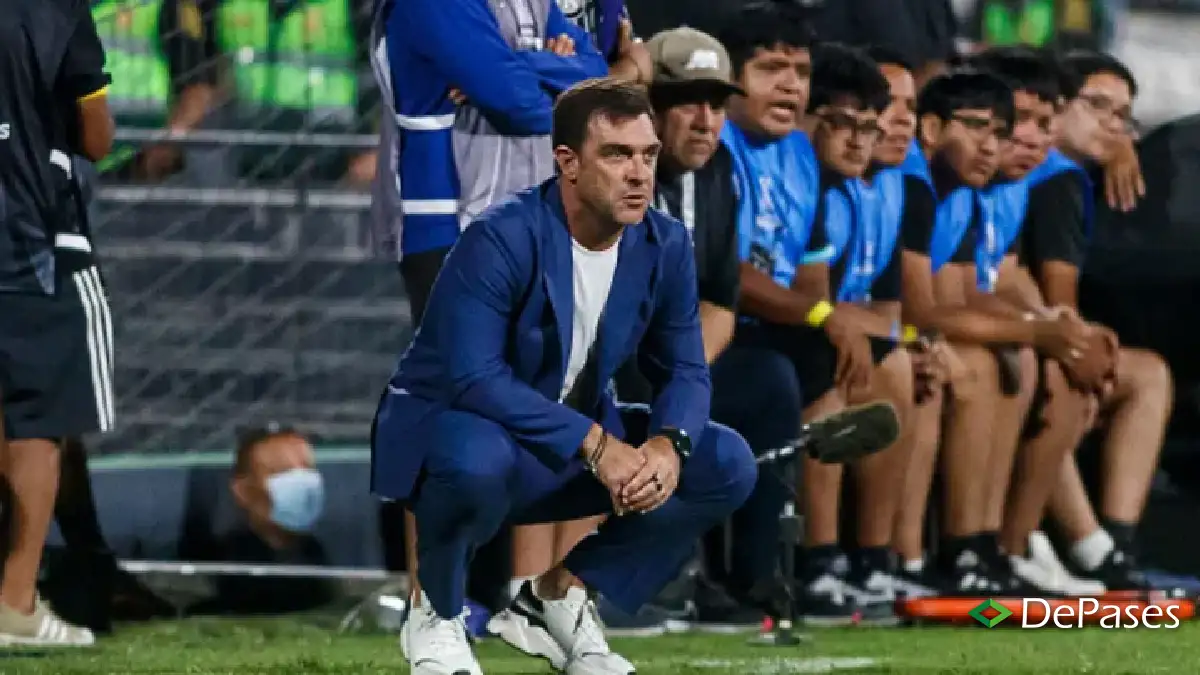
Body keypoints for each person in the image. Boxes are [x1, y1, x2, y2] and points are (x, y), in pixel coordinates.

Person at [372, 79, 759, 675]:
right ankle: (436, 612)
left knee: (724, 461)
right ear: (568, 163)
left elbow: (683, 367)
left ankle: (557, 595)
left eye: (648, 154)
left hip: (556, 455)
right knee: (474, 455)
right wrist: (597, 444)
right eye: (617, 155)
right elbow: (475, 379)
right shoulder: (500, 236)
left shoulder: (664, 244)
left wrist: (666, 445)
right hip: (455, 442)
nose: (638, 173)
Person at [370, 0, 610, 622]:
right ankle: (435, 601)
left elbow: (595, 78)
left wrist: (514, 64)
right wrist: (538, 68)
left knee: (517, 405)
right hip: (441, 219)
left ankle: (492, 592)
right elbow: (521, 104)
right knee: (450, 405)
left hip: (513, 219)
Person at [887, 69, 1091, 594]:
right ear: (932, 128)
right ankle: (911, 558)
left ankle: (989, 547)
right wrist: (1035, 331)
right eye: (978, 128)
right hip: (869, 328)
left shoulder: (963, 190)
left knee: (1019, 358)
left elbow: (964, 294)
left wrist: (1040, 328)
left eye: (999, 133)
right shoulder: (915, 182)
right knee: (968, 366)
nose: (992, 146)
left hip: (895, 326)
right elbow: (922, 312)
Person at [1021, 50, 1170, 592]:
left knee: (1148, 373)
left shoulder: (1072, 175)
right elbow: (1057, 303)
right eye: (1098, 106)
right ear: (1058, 105)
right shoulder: (1051, 179)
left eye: (1123, 115)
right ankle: (1067, 544)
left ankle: (1114, 543)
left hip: (1027, 331)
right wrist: (1080, 346)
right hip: (1016, 340)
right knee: (1062, 378)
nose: (1112, 123)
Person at [0, 0, 115, 646]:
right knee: (40, 421)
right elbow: (96, 138)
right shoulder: (57, 11)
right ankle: (13, 600)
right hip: (32, 239)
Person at [184, 426, 335, 616]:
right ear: (243, 490)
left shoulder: (318, 555)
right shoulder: (226, 566)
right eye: (282, 471)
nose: (302, 480)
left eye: (307, 468)